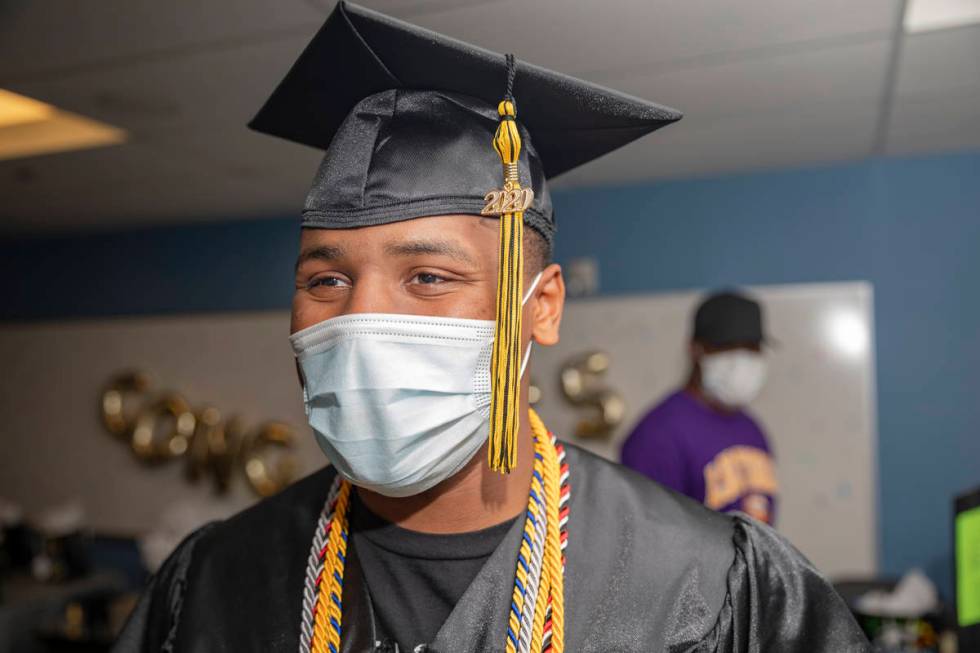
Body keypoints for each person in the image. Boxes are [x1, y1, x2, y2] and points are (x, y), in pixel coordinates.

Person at [113, 4, 869, 651]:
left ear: (541, 305)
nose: (363, 318)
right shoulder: (214, 583)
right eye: (327, 279)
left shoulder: (702, 581)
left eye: (428, 277)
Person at [621, 291, 778, 524]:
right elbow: (650, 538)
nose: (741, 359)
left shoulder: (752, 429)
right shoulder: (658, 435)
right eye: (727, 347)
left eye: (751, 347)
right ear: (696, 349)